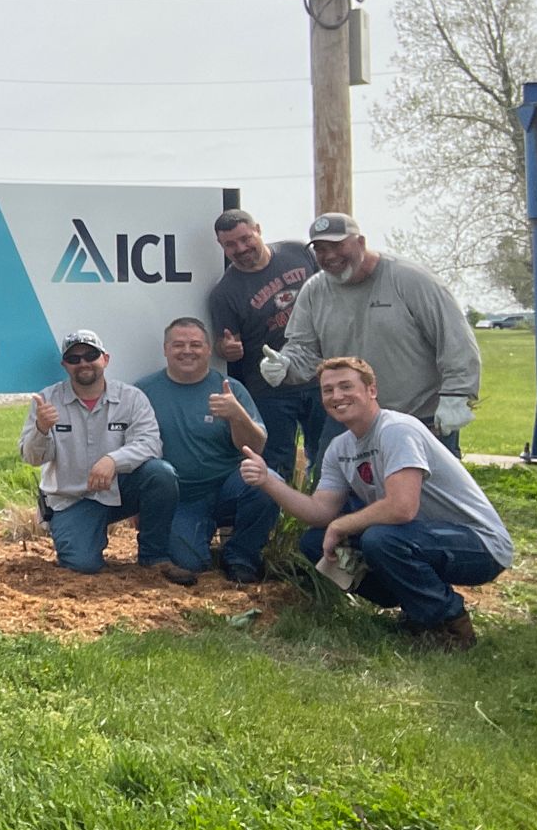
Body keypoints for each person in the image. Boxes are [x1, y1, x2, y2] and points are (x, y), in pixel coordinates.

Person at [240, 356, 511, 649]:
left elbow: (402, 507)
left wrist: (342, 524)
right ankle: (413, 605)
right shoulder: (340, 448)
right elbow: (320, 512)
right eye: (328, 390)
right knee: (315, 542)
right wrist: (268, 480)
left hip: (478, 544)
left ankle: (449, 625)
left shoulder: (395, 430)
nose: (337, 396)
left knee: (380, 539)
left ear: (371, 390)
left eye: (346, 386)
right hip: (421, 538)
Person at [260, 213, 481, 454]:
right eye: (321, 249)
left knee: (423, 492)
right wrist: (285, 365)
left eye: (337, 245)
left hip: (418, 420)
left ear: (361, 242)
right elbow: (304, 350)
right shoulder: (314, 291)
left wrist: (457, 394)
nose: (330, 256)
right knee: (331, 490)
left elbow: (454, 340)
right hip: (347, 420)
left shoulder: (410, 279)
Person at [19, 329, 182, 577]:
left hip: (118, 489)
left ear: (105, 359)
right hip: (72, 499)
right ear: (65, 365)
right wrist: (41, 429)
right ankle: (85, 535)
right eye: (74, 359)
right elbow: (32, 458)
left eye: (90, 355)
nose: (83, 363)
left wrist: (113, 460)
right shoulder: (47, 400)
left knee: (161, 475)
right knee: (82, 565)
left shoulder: (132, 398)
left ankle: (154, 556)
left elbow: (151, 444)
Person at [135, 317, 277, 584]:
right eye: (178, 345)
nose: (187, 351)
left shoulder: (231, 389)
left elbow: (256, 447)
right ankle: (204, 546)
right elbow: (130, 451)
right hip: (180, 500)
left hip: (228, 487)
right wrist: (142, 507)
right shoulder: (143, 392)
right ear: (165, 349)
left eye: (195, 344)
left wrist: (238, 416)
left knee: (267, 482)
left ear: (209, 349)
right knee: (189, 564)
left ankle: (241, 557)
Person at [206, 209, 325, 480]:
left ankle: (325, 516)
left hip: (320, 376)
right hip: (270, 390)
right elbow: (225, 346)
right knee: (275, 463)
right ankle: (280, 520)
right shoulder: (224, 293)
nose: (241, 248)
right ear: (221, 246)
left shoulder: (298, 252)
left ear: (258, 230)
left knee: (327, 455)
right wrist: (228, 349)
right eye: (230, 245)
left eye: (245, 238)